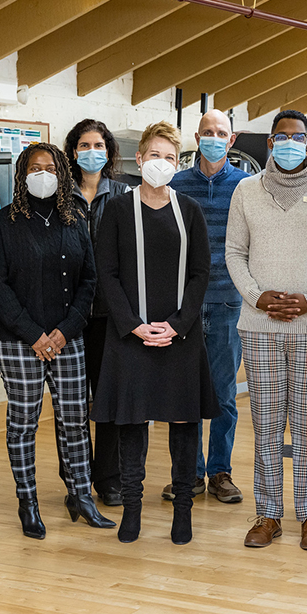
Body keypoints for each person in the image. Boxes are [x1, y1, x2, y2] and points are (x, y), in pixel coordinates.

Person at [226, 110, 307, 551]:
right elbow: (234, 253)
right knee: (265, 422)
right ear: (270, 143)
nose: (289, 142)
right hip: (259, 325)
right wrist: (258, 297)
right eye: (281, 136)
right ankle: (268, 514)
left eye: (297, 136)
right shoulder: (245, 191)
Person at [91, 121, 219, 546]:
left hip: (179, 336)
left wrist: (178, 325)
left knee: (184, 424)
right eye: (154, 156)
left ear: (175, 162)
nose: (161, 163)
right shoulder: (117, 210)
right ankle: (132, 509)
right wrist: (133, 325)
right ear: (139, 159)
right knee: (133, 424)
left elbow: (201, 273)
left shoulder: (190, 211)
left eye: (170, 157)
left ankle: (183, 509)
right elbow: (106, 273)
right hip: (131, 335)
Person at [0, 142, 115, 539]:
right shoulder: (2, 223)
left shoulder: (74, 219)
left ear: (63, 175)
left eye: (51, 168)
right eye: (35, 167)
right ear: (22, 174)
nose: (44, 174)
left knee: (74, 422)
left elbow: (89, 281)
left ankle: (81, 496)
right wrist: (35, 335)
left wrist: (63, 331)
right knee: (22, 423)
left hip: (67, 338)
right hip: (19, 341)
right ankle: (29, 501)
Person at [167, 109, 251, 504]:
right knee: (182, 394)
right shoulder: (175, 184)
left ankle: (220, 472)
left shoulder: (248, 186)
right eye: (207, 132)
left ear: (232, 140)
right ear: (196, 138)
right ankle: (189, 473)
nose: (214, 138)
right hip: (181, 306)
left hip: (227, 303)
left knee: (221, 394)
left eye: (222, 132)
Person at [63, 119, 129, 507]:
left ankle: (109, 478)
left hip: (110, 316)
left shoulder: (124, 195)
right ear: (73, 151)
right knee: (71, 403)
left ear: (109, 151)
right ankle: (75, 476)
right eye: (84, 144)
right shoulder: (58, 196)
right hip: (68, 317)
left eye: (99, 144)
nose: (92, 151)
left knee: (107, 400)